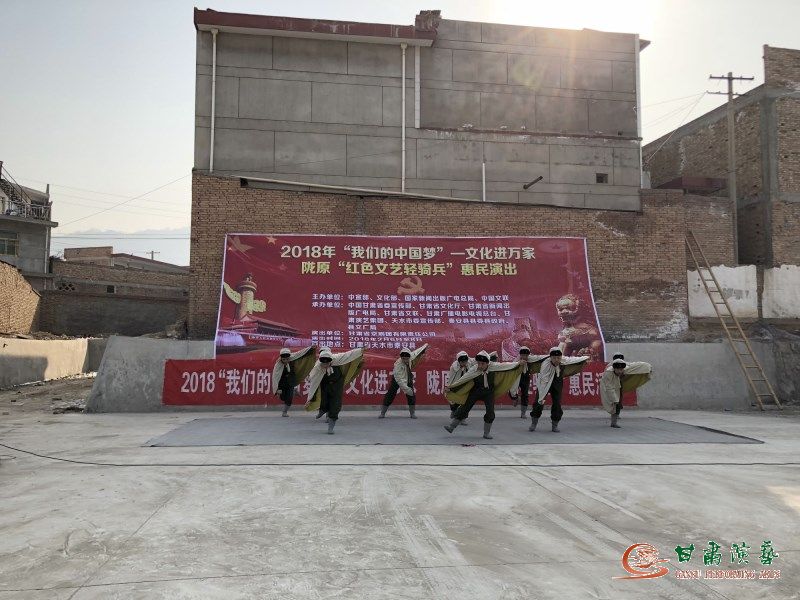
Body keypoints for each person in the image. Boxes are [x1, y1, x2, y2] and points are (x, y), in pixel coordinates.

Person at [444, 351, 526, 439]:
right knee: (464, 407)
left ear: (487, 363)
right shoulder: (474, 368)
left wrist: (518, 363)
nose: (480, 366)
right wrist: (451, 388)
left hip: (488, 393)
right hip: (475, 391)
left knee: (490, 412)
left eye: (482, 364)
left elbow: (506, 365)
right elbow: (463, 379)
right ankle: (451, 427)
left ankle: (486, 433)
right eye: (479, 363)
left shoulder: (493, 366)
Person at [305, 348, 364, 434]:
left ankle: (330, 427)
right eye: (323, 363)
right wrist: (309, 378)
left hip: (337, 385)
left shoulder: (337, 358)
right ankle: (322, 410)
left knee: (335, 405)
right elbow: (313, 376)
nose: (325, 364)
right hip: (325, 385)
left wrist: (361, 350)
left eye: (327, 362)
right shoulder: (318, 365)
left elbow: (349, 354)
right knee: (323, 400)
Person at [530, 347, 589, 433]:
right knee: (539, 402)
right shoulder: (545, 365)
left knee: (557, 403)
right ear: (550, 357)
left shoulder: (563, 360)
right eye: (554, 358)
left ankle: (555, 424)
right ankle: (534, 423)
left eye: (558, 358)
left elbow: (573, 360)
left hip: (557, 383)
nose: (557, 360)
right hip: (545, 383)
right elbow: (543, 380)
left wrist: (585, 359)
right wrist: (542, 395)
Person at [600, 357, 652, 428]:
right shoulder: (608, 372)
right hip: (607, 387)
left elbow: (635, 365)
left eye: (621, 369)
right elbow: (609, 388)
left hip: (618, 386)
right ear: (614, 368)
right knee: (613, 403)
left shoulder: (626, 368)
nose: (620, 371)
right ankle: (614, 422)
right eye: (618, 370)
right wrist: (614, 399)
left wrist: (647, 368)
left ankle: (614, 422)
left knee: (618, 404)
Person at [380, 344, 428, 419]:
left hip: (407, 375)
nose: (405, 358)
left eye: (407, 357)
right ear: (401, 357)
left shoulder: (411, 356)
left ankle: (412, 413)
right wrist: (408, 390)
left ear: (409, 356)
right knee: (391, 394)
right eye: (403, 357)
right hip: (397, 379)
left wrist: (424, 347)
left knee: (411, 396)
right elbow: (400, 382)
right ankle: (383, 413)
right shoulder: (398, 366)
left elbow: (417, 352)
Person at [271, 345, 316, 416]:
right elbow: (275, 377)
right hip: (282, 383)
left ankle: (284, 412)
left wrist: (310, 349)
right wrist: (277, 389)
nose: (286, 361)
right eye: (284, 359)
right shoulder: (278, 365)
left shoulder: (293, 357)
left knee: (289, 398)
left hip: (291, 381)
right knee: (283, 397)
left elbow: (301, 353)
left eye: (287, 359)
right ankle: (294, 392)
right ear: (281, 358)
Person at [509, 346, 548, 418]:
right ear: (520, 355)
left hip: (525, 378)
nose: (524, 357)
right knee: (511, 391)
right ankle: (515, 398)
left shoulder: (530, 358)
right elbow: (510, 368)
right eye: (523, 355)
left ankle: (523, 413)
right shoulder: (516, 361)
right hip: (516, 377)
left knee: (525, 394)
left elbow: (540, 358)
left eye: (526, 355)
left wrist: (550, 356)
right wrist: (519, 364)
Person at [445, 351, 473, 424]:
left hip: (466, 385)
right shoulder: (454, 367)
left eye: (465, 361)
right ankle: (454, 411)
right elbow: (451, 378)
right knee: (454, 400)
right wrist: (449, 387)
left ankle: (463, 418)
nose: (464, 363)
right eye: (462, 362)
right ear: (458, 361)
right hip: (456, 385)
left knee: (465, 402)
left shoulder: (470, 363)